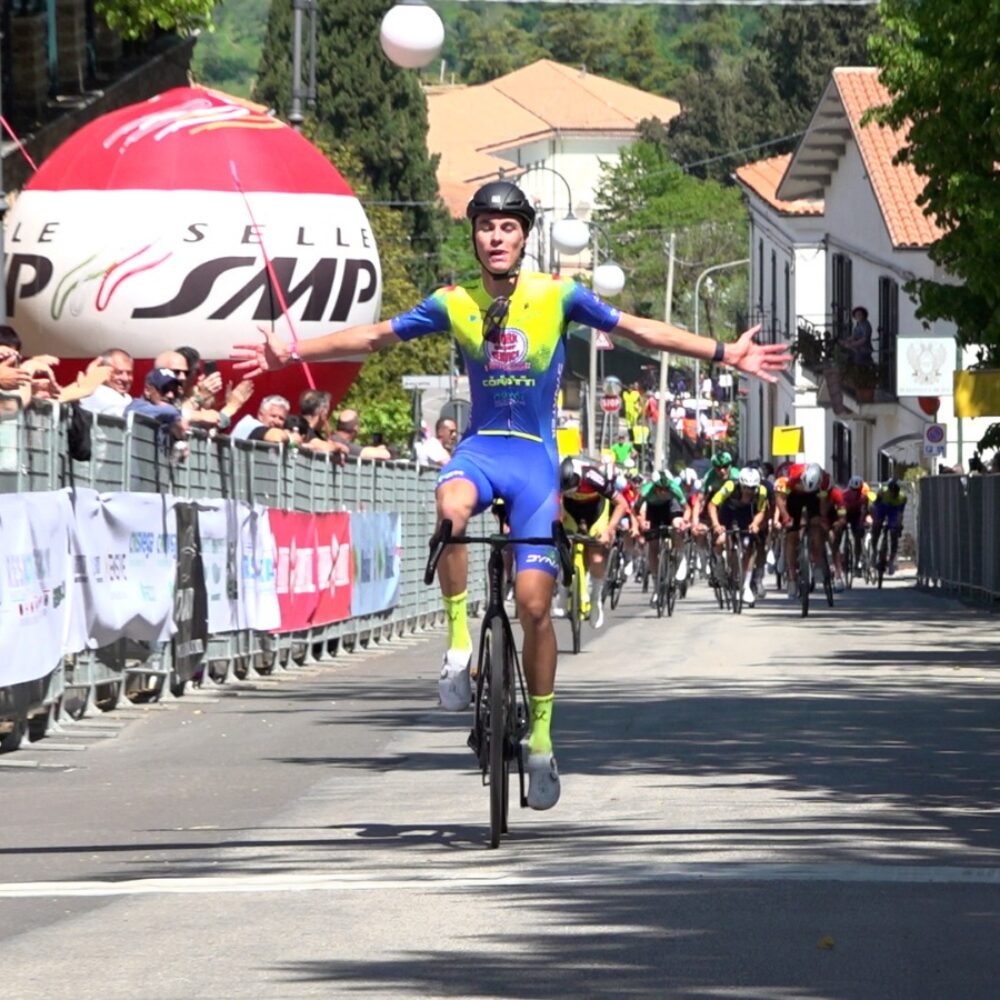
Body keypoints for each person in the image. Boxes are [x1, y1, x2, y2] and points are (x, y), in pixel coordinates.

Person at [232, 179, 789, 811]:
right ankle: (458, 645)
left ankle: (542, 741)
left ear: (524, 238)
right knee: (450, 509)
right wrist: (289, 350)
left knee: (533, 606)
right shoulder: (453, 301)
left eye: (508, 228)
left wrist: (723, 352)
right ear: (473, 236)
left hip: (533, 463)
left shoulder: (557, 295)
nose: (496, 238)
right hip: (481, 450)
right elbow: (374, 337)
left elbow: (640, 331)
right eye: (485, 227)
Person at [558, 455, 631, 629]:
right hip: (570, 509)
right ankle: (563, 590)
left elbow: (621, 504)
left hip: (596, 510)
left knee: (596, 554)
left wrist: (608, 530)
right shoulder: (555, 477)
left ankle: (595, 598)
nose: (572, 491)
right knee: (564, 545)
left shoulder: (592, 477)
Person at [708, 466, 769, 608]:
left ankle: (745, 585)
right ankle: (719, 563)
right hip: (728, 513)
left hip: (746, 515)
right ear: (741, 485)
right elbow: (712, 505)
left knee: (750, 546)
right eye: (746, 488)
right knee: (720, 541)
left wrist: (755, 524)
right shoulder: (730, 486)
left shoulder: (761, 491)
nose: (749, 491)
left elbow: (761, 511)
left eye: (752, 488)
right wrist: (716, 524)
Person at [774, 461, 833, 597]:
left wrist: (822, 518)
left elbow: (824, 504)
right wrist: (786, 517)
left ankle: (817, 562)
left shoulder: (825, 480)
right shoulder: (791, 478)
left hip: (814, 497)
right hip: (794, 497)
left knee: (816, 525)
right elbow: (780, 499)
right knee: (792, 535)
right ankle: (792, 577)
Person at [635, 469, 688, 606]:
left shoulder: (674, 489)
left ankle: (681, 557)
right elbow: (636, 510)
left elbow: (687, 509)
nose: (663, 492)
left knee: (676, 525)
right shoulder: (646, 491)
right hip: (653, 510)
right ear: (654, 485)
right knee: (653, 546)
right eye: (659, 488)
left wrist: (684, 521)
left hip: (671, 507)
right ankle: (656, 587)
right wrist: (641, 522)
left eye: (666, 488)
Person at [871, 477, 908, 575]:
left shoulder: (902, 498)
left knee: (894, 531)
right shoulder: (882, 492)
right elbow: (875, 505)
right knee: (877, 526)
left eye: (895, 493)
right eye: (891, 492)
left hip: (894, 510)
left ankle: (891, 560)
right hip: (882, 507)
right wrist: (875, 518)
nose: (893, 495)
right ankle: (874, 550)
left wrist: (899, 525)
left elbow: (900, 514)